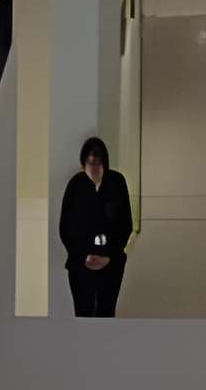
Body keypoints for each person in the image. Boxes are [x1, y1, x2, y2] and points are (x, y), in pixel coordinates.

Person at [59, 134, 132, 317]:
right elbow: (66, 227)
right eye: (90, 162)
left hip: (112, 263)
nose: (93, 166)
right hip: (80, 264)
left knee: (106, 312)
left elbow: (125, 224)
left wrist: (109, 255)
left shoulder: (116, 182)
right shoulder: (76, 185)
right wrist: (83, 255)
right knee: (83, 312)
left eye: (97, 161)